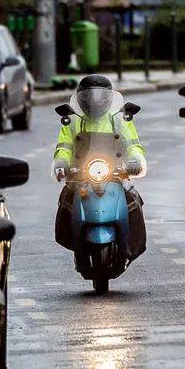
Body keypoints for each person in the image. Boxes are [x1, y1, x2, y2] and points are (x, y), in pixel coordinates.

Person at [52, 75, 148, 258]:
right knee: (65, 202)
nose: (94, 101)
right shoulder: (72, 119)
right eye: (88, 97)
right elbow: (64, 146)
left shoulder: (119, 118)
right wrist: (61, 163)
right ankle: (72, 239)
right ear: (80, 98)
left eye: (99, 97)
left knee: (134, 202)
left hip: (115, 173)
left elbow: (132, 144)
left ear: (109, 99)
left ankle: (130, 246)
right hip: (80, 175)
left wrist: (135, 160)